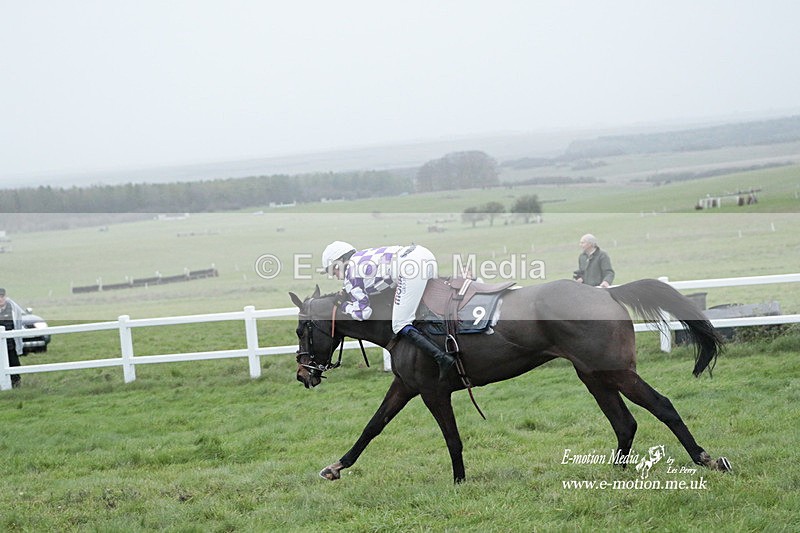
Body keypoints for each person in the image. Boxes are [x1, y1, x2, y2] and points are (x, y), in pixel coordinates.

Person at [320, 241, 456, 378]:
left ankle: (442, 358)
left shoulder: (350, 275)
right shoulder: (361, 256)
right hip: (424, 254)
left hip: (409, 268)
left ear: (340, 262)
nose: (334, 275)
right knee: (426, 307)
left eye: (332, 270)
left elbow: (363, 313)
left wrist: (344, 306)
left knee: (399, 324)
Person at [0, 288, 25, 388]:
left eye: (2, 296)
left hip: (11, 344)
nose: (0, 299)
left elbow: (18, 323)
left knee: (14, 364)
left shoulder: (13, 308)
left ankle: (16, 386)